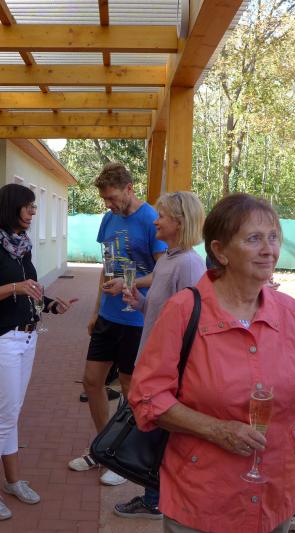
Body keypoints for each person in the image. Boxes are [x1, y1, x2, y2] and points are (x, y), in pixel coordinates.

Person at [129, 193, 295, 533]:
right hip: (202, 501)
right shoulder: (183, 310)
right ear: (221, 251)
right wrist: (216, 429)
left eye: (273, 237)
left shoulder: (292, 313)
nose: (268, 249)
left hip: (275, 498)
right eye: (254, 239)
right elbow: (148, 396)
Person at [0, 184, 77, 521]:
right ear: (11, 207)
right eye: (28, 207)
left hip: (26, 338)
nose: (33, 212)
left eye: (34, 207)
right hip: (0, 341)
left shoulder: (20, 244)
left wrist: (51, 305)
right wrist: (14, 287)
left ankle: (12, 481)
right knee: (2, 419)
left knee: (10, 414)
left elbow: (31, 291)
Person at [68, 162, 167, 487]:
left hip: (137, 319)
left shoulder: (151, 219)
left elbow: (162, 273)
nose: (108, 204)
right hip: (108, 317)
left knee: (129, 388)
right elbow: (106, 267)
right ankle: (103, 449)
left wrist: (131, 284)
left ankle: (123, 455)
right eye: (105, 199)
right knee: (91, 381)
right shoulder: (108, 220)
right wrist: (96, 310)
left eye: (112, 197)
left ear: (129, 188)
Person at [113, 191, 207, 521]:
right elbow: (162, 313)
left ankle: (155, 498)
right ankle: (153, 496)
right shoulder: (168, 258)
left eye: (162, 216)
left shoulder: (189, 264)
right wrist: (139, 302)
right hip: (152, 358)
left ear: (179, 222)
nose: (156, 221)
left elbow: (191, 322)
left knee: (156, 432)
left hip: (166, 367)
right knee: (151, 429)